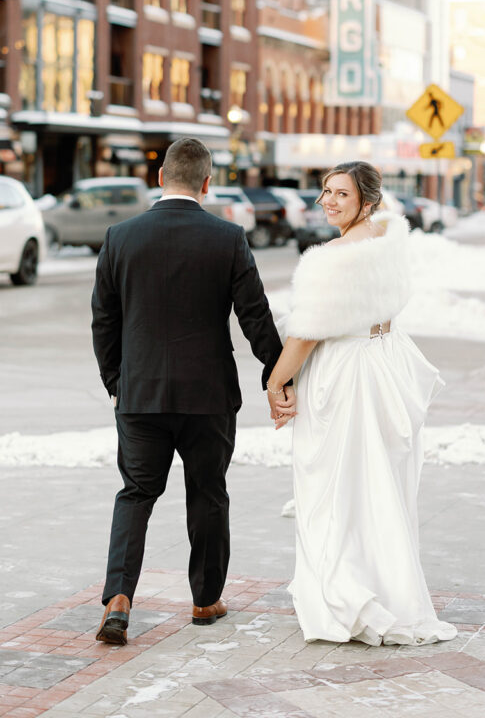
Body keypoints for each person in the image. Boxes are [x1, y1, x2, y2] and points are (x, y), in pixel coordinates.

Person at [91, 138, 288, 645]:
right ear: (207, 183)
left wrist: (117, 382)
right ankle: (205, 600)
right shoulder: (227, 238)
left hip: (141, 396)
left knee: (136, 493)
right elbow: (255, 317)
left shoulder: (120, 237)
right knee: (207, 493)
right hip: (208, 397)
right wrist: (281, 373)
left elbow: (104, 321)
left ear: (160, 178)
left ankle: (118, 597)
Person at [266, 161, 456, 646]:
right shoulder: (389, 240)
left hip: (345, 376)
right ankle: (388, 591)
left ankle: (343, 596)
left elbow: (305, 334)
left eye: (341, 195)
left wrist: (276, 381)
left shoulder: (333, 258)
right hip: (384, 364)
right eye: (325, 192)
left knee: (336, 489)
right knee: (379, 487)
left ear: (366, 201)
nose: (327, 201)